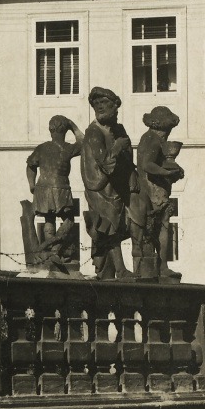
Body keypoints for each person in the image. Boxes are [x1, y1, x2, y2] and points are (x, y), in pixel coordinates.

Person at [80, 87, 135, 280]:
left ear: (115, 107)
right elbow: (105, 163)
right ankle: (120, 269)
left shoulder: (117, 129)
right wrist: (118, 147)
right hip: (99, 187)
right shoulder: (94, 132)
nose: (99, 107)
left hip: (114, 187)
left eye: (104, 103)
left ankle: (106, 271)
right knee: (108, 225)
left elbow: (127, 157)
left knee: (114, 227)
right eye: (96, 104)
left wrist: (131, 172)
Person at [134, 106, 184, 280]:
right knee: (162, 227)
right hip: (152, 190)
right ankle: (162, 266)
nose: (168, 135)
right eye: (168, 130)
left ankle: (159, 266)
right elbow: (147, 164)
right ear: (163, 128)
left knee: (156, 229)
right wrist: (167, 172)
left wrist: (174, 170)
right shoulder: (153, 139)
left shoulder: (148, 138)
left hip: (152, 189)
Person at [25, 115, 84, 260]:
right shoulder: (67, 148)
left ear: (50, 130)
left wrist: (32, 184)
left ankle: (51, 249)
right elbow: (83, 142)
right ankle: (55, 249)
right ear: (65, 131)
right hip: (60, 187)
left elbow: (31, 166)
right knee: (69, 220)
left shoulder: (41, 148)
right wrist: (73, 125)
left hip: (42, 187)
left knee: (49, 219)